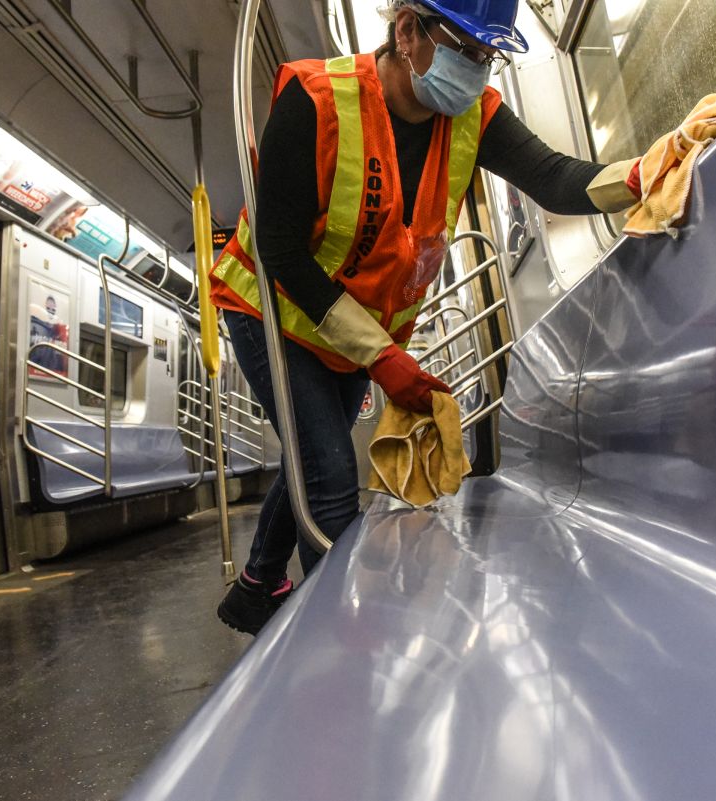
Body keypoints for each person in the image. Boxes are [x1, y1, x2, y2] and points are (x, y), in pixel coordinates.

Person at [211, 0, 642, 634]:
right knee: (328, 469)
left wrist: (641, 175)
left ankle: (255, 588)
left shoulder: (471, 116)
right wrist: (385, 360)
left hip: (355, 332)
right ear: (407, 30)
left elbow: (550, 178)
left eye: (488, 57)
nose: (476, 72)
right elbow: (279, 254)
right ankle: (340, 641)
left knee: (313, 452)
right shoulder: (315, 99)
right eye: (464, 50)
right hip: (274, 310)